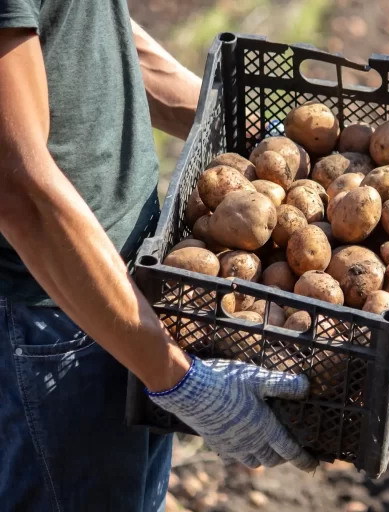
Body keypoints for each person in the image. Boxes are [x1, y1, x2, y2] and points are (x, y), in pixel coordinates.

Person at [0, 1, 317, 511]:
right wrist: (176, 377)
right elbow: (17, 188)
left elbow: (85, 28)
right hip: (55, 314)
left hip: (127, 292)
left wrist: (269, 143)